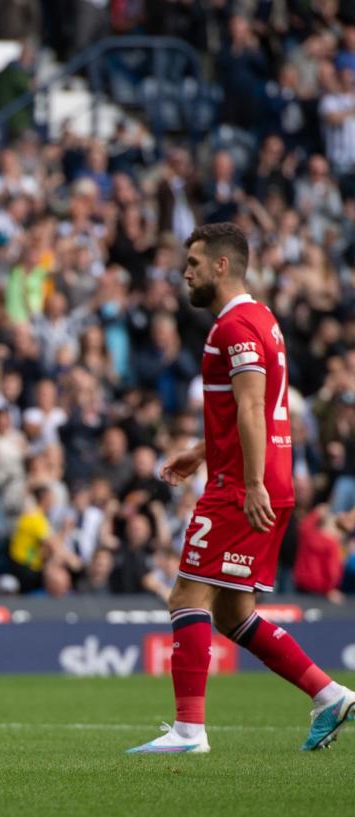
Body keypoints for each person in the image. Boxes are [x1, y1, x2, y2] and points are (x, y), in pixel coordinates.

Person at [128, 222, 355, 755]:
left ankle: (189, 731)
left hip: (242, 486)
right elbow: (248, 407)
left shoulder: (232, 328)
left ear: (222, 266)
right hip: (258, 478)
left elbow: (254, 406)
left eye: (194, 263)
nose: (186, 273)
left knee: (186, 594)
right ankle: (328, 694)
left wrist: (249, 482)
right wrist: (202, 450)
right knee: (232, 611)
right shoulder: (263, 320)